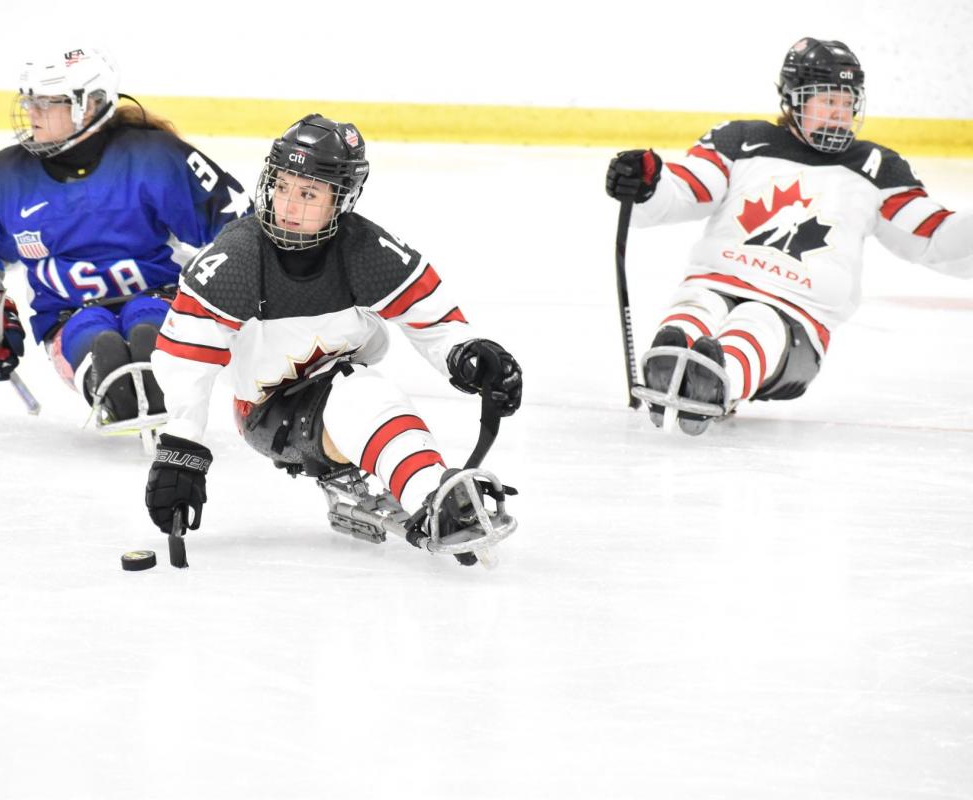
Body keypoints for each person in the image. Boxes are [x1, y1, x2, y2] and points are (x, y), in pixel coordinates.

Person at [142, 114, 523, 564]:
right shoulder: (238, 258)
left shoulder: (364, 250)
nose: (288, 206)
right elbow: (185, 358)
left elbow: (434, 319)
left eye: (308, 193)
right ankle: (433, 495)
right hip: (269, 411)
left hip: (336, 386)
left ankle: (423, 485)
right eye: (282, 186)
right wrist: (181, 448)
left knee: (355, 387)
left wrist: (466, 353)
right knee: (362, 390)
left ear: (340, 200)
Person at [605, 37, 973, 434]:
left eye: (847, 103)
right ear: (794, 99)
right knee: (698, 303)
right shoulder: (740, 140)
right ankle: (673, 358)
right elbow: (689, 189)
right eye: (827, 101)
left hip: (797, 316)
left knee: (757, 319)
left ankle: (715, 380)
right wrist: (648, 184)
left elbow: (934, 237)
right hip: (717, 278)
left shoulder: (878, 168)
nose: (839, 115)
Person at [0, 47, 250, 424]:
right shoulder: (3, 177)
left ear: (90, 105)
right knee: (102, 353)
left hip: (160, 298)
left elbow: (235, 222)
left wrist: (234, 302)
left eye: (46, 102)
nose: (31, 112)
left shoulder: (153, 157)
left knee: (147, 332)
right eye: (30, 101)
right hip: (68, 317)